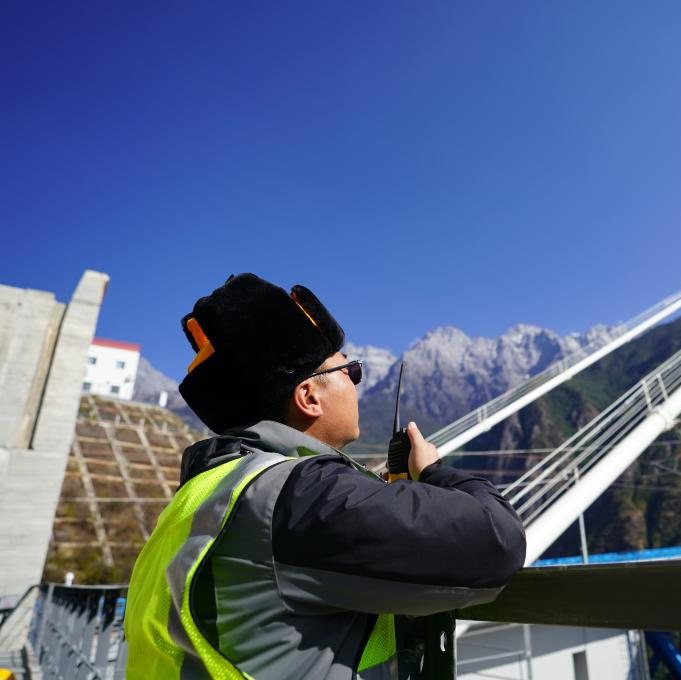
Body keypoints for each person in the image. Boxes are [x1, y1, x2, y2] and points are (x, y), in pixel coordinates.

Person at [124, 273, 527, 679]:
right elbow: (498, 543)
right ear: (309, 397)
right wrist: (433, 472)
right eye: (350, 371)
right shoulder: (304, 496)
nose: (357, 385)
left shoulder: (202, 495)